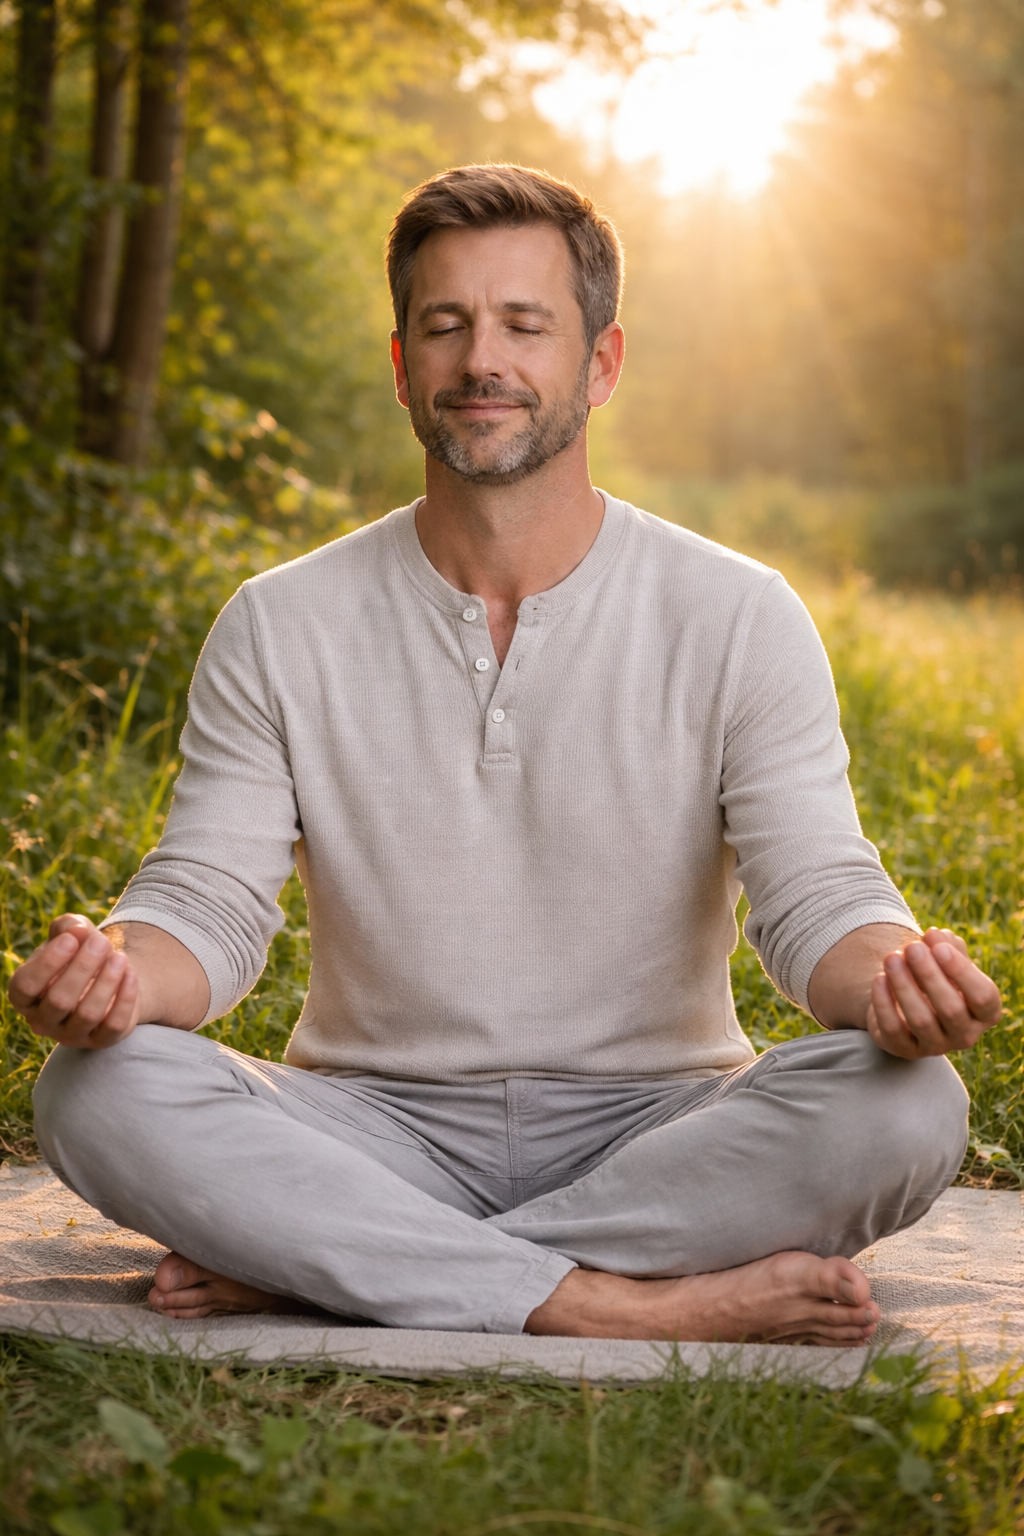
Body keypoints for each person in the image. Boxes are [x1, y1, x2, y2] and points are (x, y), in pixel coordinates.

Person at [11, 165, 1001, 1347]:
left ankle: (340, 1266)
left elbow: (818, 896)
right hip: (371, 1126)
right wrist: (115, 977)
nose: (484, 359)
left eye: (525, 324)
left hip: (662, 1127)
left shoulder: (740, 613)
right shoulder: (279, 620)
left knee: (904, 1107)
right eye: (447, 325)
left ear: (601, 362)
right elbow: (208, 904)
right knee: (99, 1089)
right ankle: (616, 1302)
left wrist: (897, 980)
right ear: (401, 368)